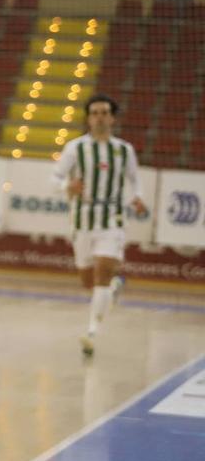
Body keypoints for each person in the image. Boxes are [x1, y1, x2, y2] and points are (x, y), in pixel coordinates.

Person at [50, 94, 146, 356]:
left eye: (104, 112)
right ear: (88, 118)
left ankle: (92, 331)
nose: (99, 117)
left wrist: (137, 197)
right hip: (82, 218)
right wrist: (66, 186)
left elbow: (135, 179)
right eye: (94, 113)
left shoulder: (124, 150)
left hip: (112, 217)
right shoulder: (75, 148)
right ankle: (113, 289)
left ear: (112, 117)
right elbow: (54, 177)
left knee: (103, 270)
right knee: (88, 280)